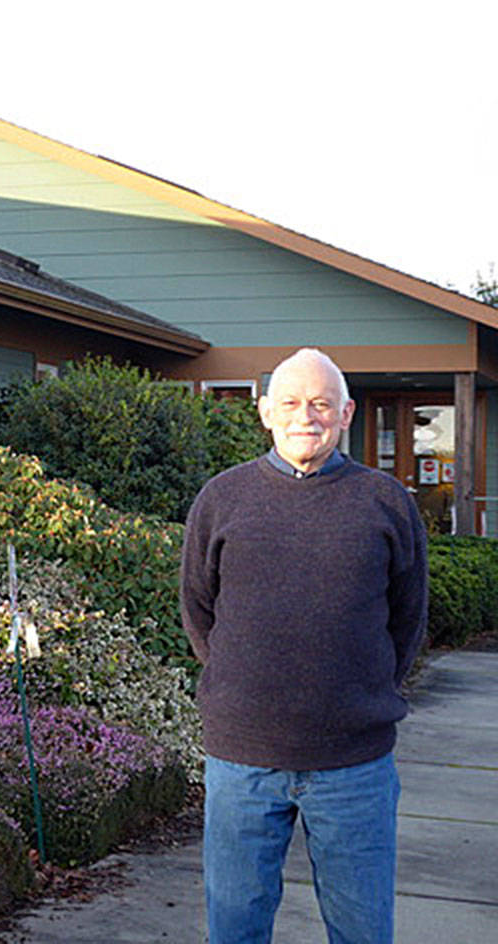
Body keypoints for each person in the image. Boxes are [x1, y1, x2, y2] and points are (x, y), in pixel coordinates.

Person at [181, 347, 426, 944]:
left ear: (346, 413)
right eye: (290, 402)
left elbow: (409, 619)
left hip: (355, 765)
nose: (304, 416)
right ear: (264, 412)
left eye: (320, 403)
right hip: (241, 760)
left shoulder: (386, 502)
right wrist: (243, 686)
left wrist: (361, 693)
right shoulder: (221, 498)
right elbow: (198, 608)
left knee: (363, 931)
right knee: (235, 930)